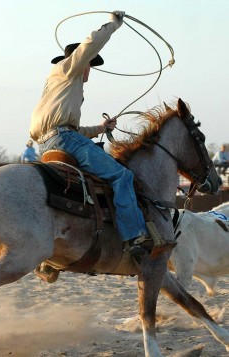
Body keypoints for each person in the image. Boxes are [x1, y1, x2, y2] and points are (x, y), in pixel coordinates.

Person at [30, 11, 176, 256]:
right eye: (90, 63)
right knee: (122, 176)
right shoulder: (68, 68)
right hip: (63, 139)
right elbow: (90, 44)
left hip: (47, 143)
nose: (91, 69)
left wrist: (101, 129)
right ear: (83, 61)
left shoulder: (61, 87)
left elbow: (73, 131)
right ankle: (134, 235)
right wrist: (113, 24)